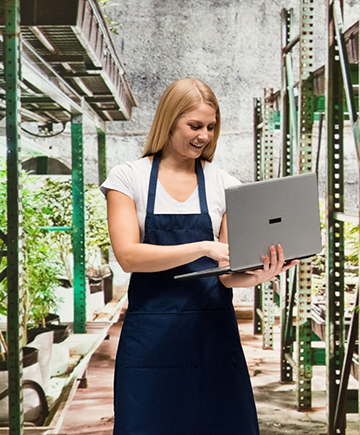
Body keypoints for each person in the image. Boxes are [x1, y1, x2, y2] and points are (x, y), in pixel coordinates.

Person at [100, 77, 298, 435]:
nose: (203, 135)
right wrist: (203, 247)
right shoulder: (128, 177)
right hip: (151, 339)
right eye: (194, 125)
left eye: (210, 126)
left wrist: (260, 275)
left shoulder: (224, 184)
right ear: (168, 122)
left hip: (211, 338)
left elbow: (227, 274)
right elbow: (128, 256)